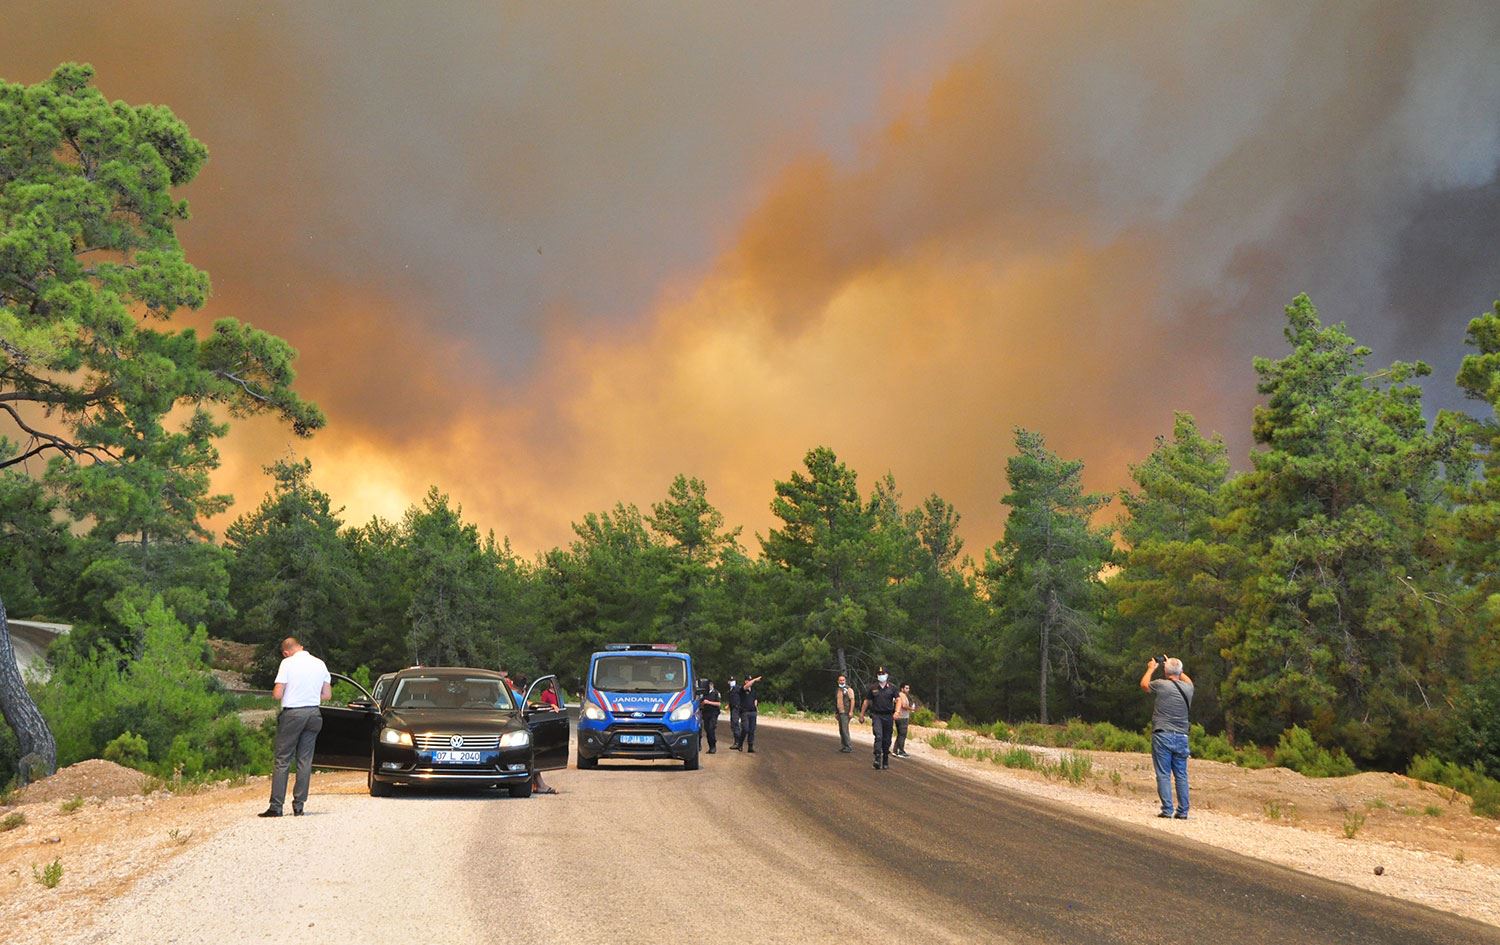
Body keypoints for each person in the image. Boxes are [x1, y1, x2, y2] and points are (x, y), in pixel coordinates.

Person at [260, 637, 331, 817]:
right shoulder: (320, 664)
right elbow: (327, 695)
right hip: (314, 714)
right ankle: (299, 805)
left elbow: (277, 694)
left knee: (282, 759)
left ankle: (276, 806)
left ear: (286, 652)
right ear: (300, 646)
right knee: (304, 760)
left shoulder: (287, 663)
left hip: (293, 715)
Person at [1141, 655, 1194, 819]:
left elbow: (1144, 685)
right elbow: (1188, 680)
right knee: (1181, 775)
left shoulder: (1161, 685)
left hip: (1163, 734)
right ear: (1180, 671)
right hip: (1182, 736)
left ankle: (1167, 810)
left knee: (1163, 774)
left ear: (1165, 671)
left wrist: (1151, 668)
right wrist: (1173, 664)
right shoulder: (1188, 688)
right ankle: (1183, 811)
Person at [859, 667, 899, 769]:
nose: (881, 675)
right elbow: (866, 701)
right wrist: (862, 714)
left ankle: (885, 757)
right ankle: (877, 757)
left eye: (883, 673)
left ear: (887, 675)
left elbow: (898, 700)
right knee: (878, 736)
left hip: (888, 716)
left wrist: (897, 712)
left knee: (887, 739)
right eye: (879, 674)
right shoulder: (873, 687)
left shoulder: (892, 688)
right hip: (877, 715)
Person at [738, 674, 762, 753]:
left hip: (753, 712)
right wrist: (755, 680)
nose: (750, 682)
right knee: (745, 728)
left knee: (752, 730)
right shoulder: (743, 689)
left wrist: (756, 707)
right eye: (748, 680)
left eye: (750, 680)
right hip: (745, 712)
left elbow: (755, 700)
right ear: (745, 681)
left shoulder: (753, 691)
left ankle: (750, 746)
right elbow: (747, 686)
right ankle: (740, 743)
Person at [834, 674, 856, 753]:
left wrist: (851, 711)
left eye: (843, 680)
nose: (842, 681)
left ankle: (848, 746)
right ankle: (844, 746)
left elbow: (852, 700)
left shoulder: (849, 690)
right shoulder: (838, 690)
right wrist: (836, 712)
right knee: (841, 730)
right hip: (840, 712)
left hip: (845, 712)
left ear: (845, 681)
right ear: (838, 681)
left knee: (844, 729)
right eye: (840, 680)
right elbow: (836, 702)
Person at [699, 679, 722, 753]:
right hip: (705, 713)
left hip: (713, 713)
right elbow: (701, 704)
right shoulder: (704, 694)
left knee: (711, 728)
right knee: (707, 730)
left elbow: (719, 704)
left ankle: (713, 746)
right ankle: (710, 746)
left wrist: (709, 702)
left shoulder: (716, 693)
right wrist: (703, 703)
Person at [892, 683, 914, 757]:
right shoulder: (902, 695)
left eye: (908, 688)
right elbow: (904, 705)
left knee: (900, 734)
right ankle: (900, 751)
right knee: (902, 734)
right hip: (902, 717)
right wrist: (911, 709)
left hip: (900, 717)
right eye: (906, 688)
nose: (908, 690)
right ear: (902, 689)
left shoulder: (900, 695)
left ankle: (895, 750)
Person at [726, 676, 743, 749]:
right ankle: (737, 742)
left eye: (733, 680)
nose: (732, 682)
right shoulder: (731, 690)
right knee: (733, 725)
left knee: (735, 724)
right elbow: (732, 699)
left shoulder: (738, 688)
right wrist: (728, 705)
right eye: (731, 680)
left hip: (737, 708)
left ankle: (738, 743)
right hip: (733, 708)